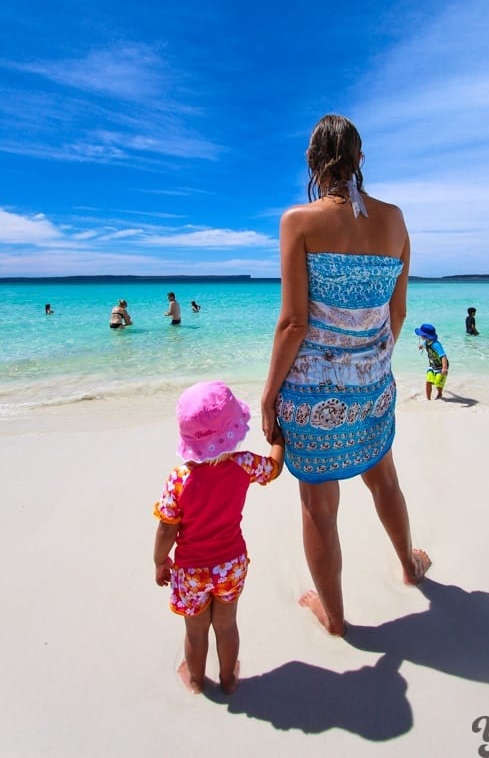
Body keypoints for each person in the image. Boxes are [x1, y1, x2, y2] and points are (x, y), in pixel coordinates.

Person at [261, 113, 430, 637]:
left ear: (313, 162)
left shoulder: (298, 221)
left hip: (311, 394)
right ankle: (409, 564)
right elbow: (396, 314)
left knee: (318, 503)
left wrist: (269, 397)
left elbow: (293, 323)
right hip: (374, 382)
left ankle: (334, 618)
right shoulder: (396, 220)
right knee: (384, 478)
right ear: (360, 159)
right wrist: (370, 365)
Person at [153, 381, 284, 694]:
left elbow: (167, 528)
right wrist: (278, 438)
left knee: (195, 631)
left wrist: (160, 560)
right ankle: (228, 680)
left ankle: (197, 681)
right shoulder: (245, 465)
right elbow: (275, 469)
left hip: (190, 571)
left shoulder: (180, 479)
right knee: (226, 625)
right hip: (231, 565)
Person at [415, 323, 449, 400]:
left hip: (441, 366)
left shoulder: (436, 344)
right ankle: (428, 398)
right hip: (432, 365)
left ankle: (440, 393)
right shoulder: (426, 342)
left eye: (422, 334)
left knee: (438, 383)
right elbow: (425, 345)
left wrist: (444, 367)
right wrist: (421, 347)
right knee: (428, 381)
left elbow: (443, 356)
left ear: (427, 336)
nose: (420, 335)